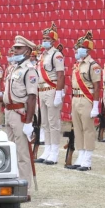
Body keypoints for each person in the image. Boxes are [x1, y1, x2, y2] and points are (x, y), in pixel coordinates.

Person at [0, 36, 38, 196]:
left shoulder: (29, 70)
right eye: (14, 47)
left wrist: (29, 122)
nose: (15, 50)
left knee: (22, 153)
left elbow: (32, 97)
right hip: (8, 112)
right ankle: (12, 182)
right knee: (9, 150)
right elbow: (8, 95)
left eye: (19, 48)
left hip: (20, 114)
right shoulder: (14, 69)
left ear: (27, 51)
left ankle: (24, 186)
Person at [66, 32, 101, 171]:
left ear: (87, 49)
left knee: (88, 129)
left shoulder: (93, 65)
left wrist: (96, 106)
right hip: (76, 98)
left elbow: (97, 86)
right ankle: (80, 155)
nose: (77, 49)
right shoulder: (77, 65)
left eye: (80, 47)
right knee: (78, 129)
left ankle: (87, 158)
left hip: (87, 99)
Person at [35, 23, 66, 166]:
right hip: (42, 91)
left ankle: (54, 151)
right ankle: (47, 149)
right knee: (44, 122)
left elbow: (60, 75)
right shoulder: (42, 56)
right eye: (43, 38)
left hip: (52, 89)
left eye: (47, 38)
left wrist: (59, 93)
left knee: (53, 122)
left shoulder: (56, 55)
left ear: (53, 41)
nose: (44, 40)